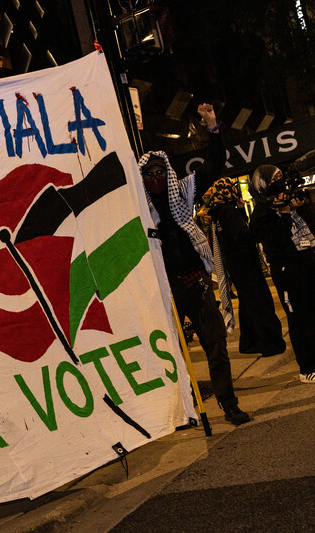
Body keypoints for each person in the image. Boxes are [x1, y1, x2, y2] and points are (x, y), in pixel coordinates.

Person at [138, 103, 250, 426]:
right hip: (166, 291)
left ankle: (229, 405)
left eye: (161, 173)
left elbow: (214, 165)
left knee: (216, 345)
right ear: (143, 178)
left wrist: (213, 128)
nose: (157, 179)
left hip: (197, 282)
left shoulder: (183, 192)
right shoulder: (141, 209)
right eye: (150, 174)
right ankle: (184, 411)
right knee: (172, 354)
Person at [248, 165, 315, 383]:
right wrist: (284, 214)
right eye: (274, 178)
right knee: (298, 319)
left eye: (280, 175)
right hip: (287, 269)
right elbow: (275, 241)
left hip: (308, 260)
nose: (280, 180)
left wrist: (302, 207)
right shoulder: (261, 213)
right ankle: (307, 368)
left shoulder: (290, 199)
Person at [206, 177, 285, 357]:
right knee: (260, 303)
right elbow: (243, 236)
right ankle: (271, 344)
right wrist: (258, 232)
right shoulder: (228, 211)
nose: (236, 190)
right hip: (245, 264)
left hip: (235, 265)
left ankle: (249, 342)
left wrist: (241, 213)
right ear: (227, 191)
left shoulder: (218, 213)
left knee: (248, 304)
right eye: (232, 187)